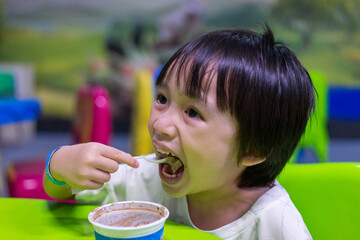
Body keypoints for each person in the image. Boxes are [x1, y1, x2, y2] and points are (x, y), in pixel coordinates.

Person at [43, 24, 314, 239]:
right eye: (161, 98)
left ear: (252, 150)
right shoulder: (145, 177)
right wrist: (59, 164)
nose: (159, 125)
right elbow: (61, 191)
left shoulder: (275, 224)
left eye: (193, 113)